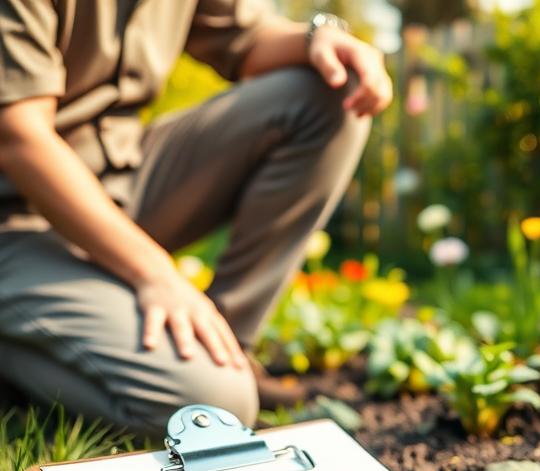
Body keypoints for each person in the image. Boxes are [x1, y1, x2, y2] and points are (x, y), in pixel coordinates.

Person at [0, 1, 392, 436]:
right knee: (213, 407)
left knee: (327, 92)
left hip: (120, 176)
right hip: (15, 218)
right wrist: (155, 273)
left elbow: (246, 38)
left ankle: (222, 346)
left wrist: (321, 37)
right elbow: (19, 137)